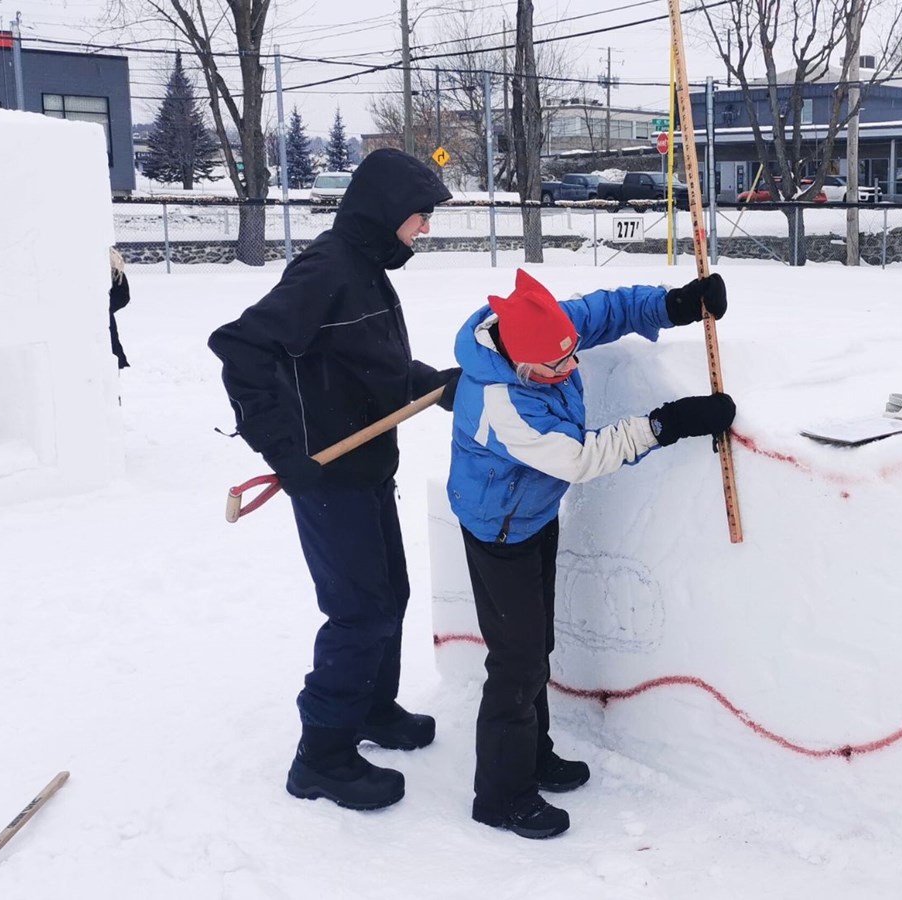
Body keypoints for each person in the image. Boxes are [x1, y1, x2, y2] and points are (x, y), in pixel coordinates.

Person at [207, 148, 462, 812]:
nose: (425, 228)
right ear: (387, 211)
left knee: (390, 595)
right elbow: (241, 346)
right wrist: (282, 447)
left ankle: (371, 709)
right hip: (327, 474)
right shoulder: (327, 269)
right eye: (420, 215)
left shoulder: (368, 269)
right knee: (359, 610)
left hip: (368, 464)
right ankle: (320, 757)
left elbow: (369, 365)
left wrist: (433, 385)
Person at [447, 268, 735, 840]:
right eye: (555, 368)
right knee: (516, 663)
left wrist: (674, 304)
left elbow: (607, 310)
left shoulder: (542, 328)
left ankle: (533, 756)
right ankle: (501, 797)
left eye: (570, 356)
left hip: (533, 514)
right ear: (521, 367)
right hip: (497, 530)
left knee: (537, 647)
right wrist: (668, 422)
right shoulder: (505, 406)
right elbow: (582, 458)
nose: (571, 367)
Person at [109, 248, 130, 369]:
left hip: (116, 294)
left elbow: (123, 297)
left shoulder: (109, 256)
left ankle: (119, 362)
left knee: (109, 330)